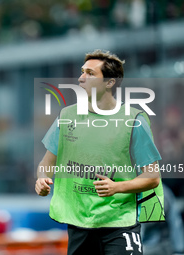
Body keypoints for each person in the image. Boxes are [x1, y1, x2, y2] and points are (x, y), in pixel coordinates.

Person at [35, 49, 165, 255]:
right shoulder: (67, 116)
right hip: (79, 223)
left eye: (90, 73)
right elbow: (46, 164)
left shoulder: (134, 121)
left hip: (119, 223)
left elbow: (152, 178)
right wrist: (42, 179)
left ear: (110, 82)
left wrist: (117, 187)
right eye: (81, 72)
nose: (81, 78)